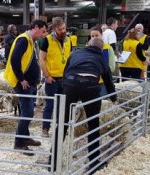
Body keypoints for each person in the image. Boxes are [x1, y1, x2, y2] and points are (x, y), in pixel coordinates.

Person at [50, 37, 117, 174]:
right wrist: (114, 98)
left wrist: (66, 89)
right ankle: (93, 162)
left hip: (70, 83)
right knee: (93, 123)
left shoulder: (75, 53)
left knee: (62, 123)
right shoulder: (101, 59)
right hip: (90, 86)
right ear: (101, 49)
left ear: (87, 45)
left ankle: (52, 160)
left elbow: (65, 72)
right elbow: (108, 81)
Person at [4, 19, 48, 156]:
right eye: (43, 31)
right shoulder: (23, 40)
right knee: (28, 113)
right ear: (35, 27)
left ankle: (26, 138)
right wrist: (21, 79)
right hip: (23, 83)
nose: (44, 34)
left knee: (25, 111)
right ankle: (19, 143)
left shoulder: (30, 41)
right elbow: (14, 60)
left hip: (30, 83)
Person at [39, 17, 72, 137]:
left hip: (65, 79)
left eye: (64, 28)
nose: (63, 31)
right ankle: (45, 129)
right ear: (54, 29)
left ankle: (60, 129)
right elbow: (41, 60)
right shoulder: (46, 40)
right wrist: (47, 76)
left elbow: (69, 58)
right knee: (50, 105)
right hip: (51, 79)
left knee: (62, 105)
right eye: (60, 29)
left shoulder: (69, 40)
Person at [90, 25, 116, 96]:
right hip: (89, 82)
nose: (94, 38)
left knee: (102, 103)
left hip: (103, 83)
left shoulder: (108, 48)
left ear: (101, 35)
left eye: (96, 35)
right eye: (92, 36)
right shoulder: (87, 48)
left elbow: (112, 67)